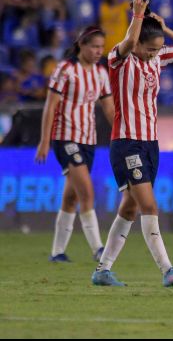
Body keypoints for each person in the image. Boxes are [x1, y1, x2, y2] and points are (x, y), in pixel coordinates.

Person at [91, 0, 173, 287]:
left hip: (150, 143)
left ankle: (103, 270)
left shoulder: (157, 58)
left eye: (157, 49)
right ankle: (167, 270)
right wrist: (137, 18)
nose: (154, 54)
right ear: (138, 43)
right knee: (149, 206)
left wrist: (166, 28)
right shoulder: (120, 59)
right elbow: (127, 43)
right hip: (127, 142)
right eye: (150, 48)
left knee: (129, 207)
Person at [35, 26, 114, 263]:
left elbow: (108, 107)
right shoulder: (65, 70)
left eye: (101, 47)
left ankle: (57, 253)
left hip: (88, 140)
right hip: (65, 137)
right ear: (81, 44)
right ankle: (99, 249)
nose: (99, 51)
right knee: (87, 192)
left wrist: (122, 132)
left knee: (71, 198)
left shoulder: (101, 73)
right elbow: (50, 106)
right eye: (94, 46)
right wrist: (44, 140)